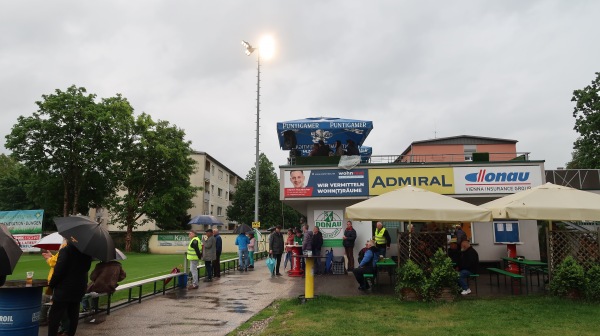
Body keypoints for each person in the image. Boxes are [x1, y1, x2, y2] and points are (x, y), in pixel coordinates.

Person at [47, 240, 92, 336]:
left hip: (64, 289)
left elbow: (59, 270)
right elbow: (86, 268)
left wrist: (51, 285)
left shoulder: (66, 250)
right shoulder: (86, 252)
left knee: (55, 316)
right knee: (73, 315)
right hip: (79, 288)